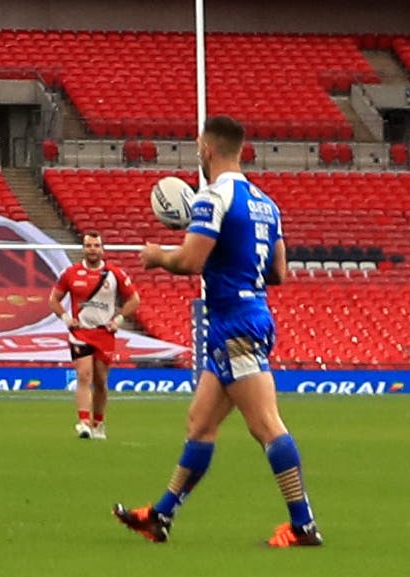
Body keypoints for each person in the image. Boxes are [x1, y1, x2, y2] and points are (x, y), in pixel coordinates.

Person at [113, 115, 316, 551]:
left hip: (235, 324)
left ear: (207, 149)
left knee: (266, 426)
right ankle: (162, 515)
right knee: (200, 424)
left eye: (198, 148)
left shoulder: (213, 197)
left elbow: (190, 261)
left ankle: (303, 524)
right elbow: (279, 272)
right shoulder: (266, 202)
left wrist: (156, 255)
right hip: (246, 315)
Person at [56, 238, 139, 443]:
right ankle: (84, 422)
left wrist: (118, 320)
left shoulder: (115, 273)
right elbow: (53, 299)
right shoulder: (71, 273)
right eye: (88, 246)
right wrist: (66, 318)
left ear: (102, 249)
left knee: (100, 381)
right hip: (80, 333)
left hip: (104, 334)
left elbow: (134, 299)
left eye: (96, 245)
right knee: (84, 376)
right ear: (83, 248)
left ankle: (98, 423)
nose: (92, 249)